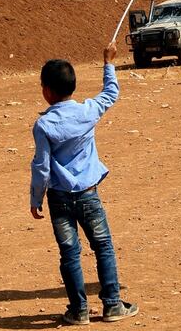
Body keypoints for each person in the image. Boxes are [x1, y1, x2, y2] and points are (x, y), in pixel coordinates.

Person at [29, 42, 138, 325]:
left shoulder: (43, 126)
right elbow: (110, 93)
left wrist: (35, 199)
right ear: (72, 87)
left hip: (59, 198)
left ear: (47, 91)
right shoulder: (88, 111)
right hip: (89, 195)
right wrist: (108, 63)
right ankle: (112, 305)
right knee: (102, 246)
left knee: (69, 253)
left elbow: (41, 167)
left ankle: (78, 311)